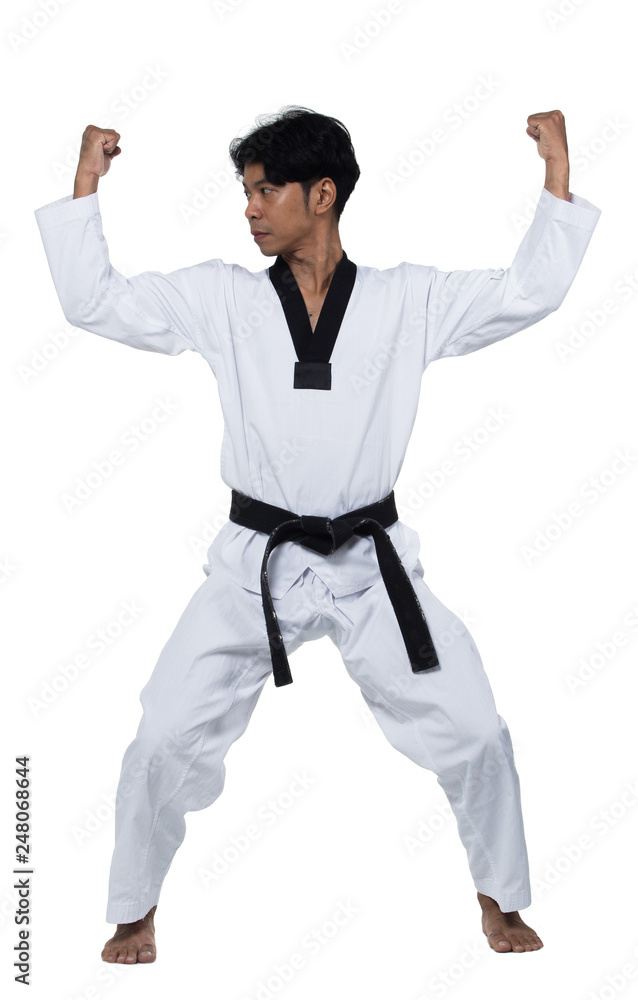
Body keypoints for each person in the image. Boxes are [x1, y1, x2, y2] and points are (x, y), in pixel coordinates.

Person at [34, 106, 601, 963]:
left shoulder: (408, 300)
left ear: (323, 194)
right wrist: (85, 186)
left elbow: (526, 294)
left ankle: (499, 897)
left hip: (374, 569)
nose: (251, 208)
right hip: (253, 564)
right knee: (161, 736)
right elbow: (94, 302)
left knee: (478, 730)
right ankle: (134, 906)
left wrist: (557, 177)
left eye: (267, 190)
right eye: (248, 191)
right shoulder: (222, 297)